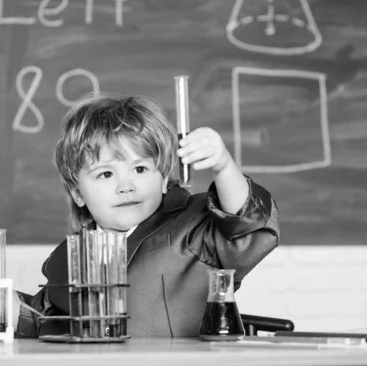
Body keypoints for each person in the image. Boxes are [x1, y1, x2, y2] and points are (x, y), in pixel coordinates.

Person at [14, 92, 280, 338]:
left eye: (140, 169)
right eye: (106, 174)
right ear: (78, 193)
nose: (126, 185)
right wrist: (8, 307)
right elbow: (43, 319)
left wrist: (223, 166)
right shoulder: (67, 257)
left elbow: (247, 226)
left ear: (164, 178)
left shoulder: (195, 229)